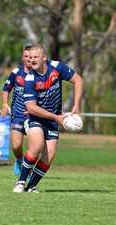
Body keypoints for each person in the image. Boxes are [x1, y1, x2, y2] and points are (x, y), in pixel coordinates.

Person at [13, 44, 83, 192]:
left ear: (44, 57)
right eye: (29, 57)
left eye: (35, 57)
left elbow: (78, 80)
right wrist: (56, 117)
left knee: (48, 157)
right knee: (37, 145)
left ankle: (30, 187)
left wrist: (76, 105)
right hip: (35, 118)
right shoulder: (30, 79)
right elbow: (31, 107)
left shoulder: (57, 67)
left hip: (53, 120)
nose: (31, 60)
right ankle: (20, 182)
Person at [1, 45, 32, 176]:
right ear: (22, 57)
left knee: (35, 146)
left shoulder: (40, 74)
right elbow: (6, 89)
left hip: (33, 116)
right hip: (17, 115)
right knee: (15, 146)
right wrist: (4, 104)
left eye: (31, 56)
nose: (28, 59)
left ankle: (29, 167)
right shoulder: (16, 73)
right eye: (26, 56)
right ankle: (19, 160)